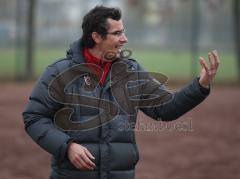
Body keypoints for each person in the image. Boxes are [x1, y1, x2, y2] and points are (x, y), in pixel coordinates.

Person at [22, 5, 220, 179]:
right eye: (117, 33)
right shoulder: (60, 72)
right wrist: (67, 147)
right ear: (96, 36)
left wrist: (200, 85)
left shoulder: (131, 72)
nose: (125, 39)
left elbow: (165, 108)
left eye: (123, 32)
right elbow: (34, 117)